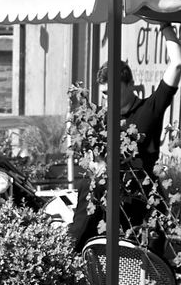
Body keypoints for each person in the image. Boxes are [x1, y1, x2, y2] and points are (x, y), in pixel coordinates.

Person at [68, 21, 181, 254]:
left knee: (150, 264)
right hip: (103, 206)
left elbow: (177, 64)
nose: (108, 98)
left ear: (130, 84)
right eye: (104, 94)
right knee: (85, 249)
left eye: (113, 92)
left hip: (141, 205)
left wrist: (163, 23)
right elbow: (94, 159)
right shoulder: (99, 118)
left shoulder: (149, 110)